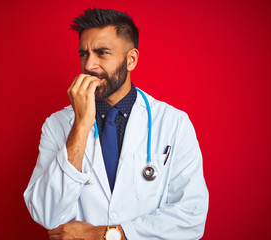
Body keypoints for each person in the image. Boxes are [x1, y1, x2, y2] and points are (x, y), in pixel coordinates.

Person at [24, 8, 208, 240]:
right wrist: (81, 126)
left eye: (102, 53)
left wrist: (104, 235)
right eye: (84, 54)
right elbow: (47, 213)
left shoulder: (174, 123)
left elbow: (191, 217)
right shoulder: (58, 124)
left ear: (131, 59)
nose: (89, 65)